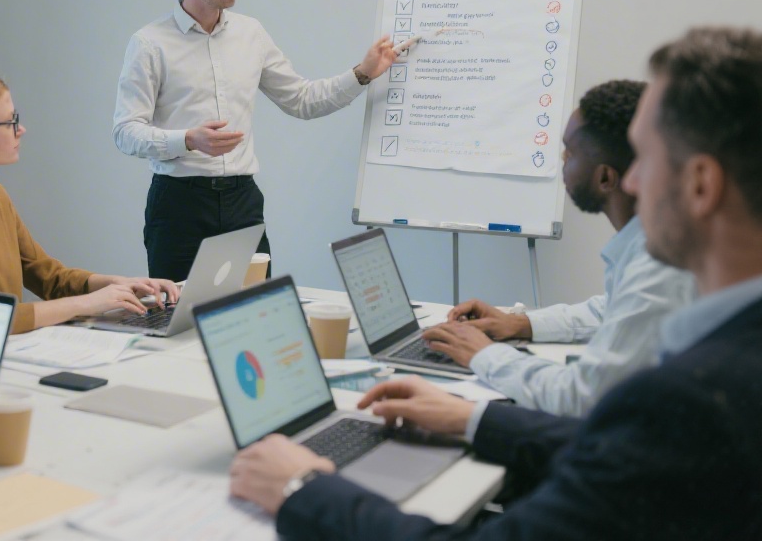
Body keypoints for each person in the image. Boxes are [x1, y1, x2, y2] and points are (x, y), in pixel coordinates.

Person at [228, 27, 762, 539]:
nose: (633, 180)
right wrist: (476, 421)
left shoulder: (697, 398)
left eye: (645, 158)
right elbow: (623, 446)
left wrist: (302, 488)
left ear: (700, 185)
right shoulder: (724, 358)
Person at [113, 0, 404, 281]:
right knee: (176, 320)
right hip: (179, 204)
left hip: (242, 200)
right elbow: (126, 132)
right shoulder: (149, 44)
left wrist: (363, 73)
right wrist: (188, 139)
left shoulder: (251, 34)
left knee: (259, 315)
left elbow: (302, 100)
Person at [420, 80, 694, 415]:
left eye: (570, 151)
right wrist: (520, 323)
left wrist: (483, 355)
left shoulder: (660, 267)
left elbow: (581, 397)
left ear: (605, 178)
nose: (562, 159)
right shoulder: (652, 244)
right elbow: (611, 310)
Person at [0, 69, 181, 334]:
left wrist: (118, 285)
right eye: (10, 121)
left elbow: (50, 278)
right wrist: (88, 303)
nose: (20, 129)